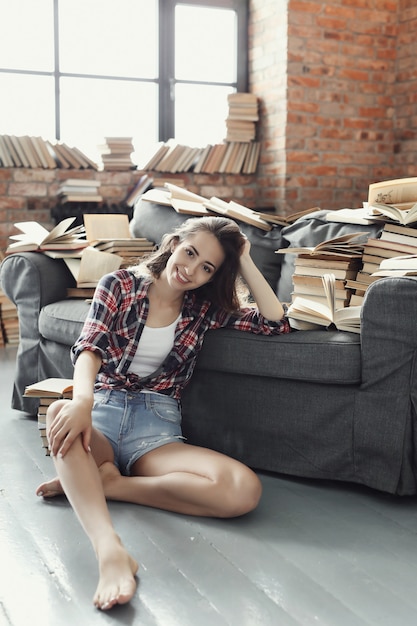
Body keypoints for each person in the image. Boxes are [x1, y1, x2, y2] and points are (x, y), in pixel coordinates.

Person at [36, 215, 290, 611]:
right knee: (59, 410)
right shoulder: (118, 285)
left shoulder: (204, 308)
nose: (190, 270)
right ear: (173, 244)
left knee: (244, 490)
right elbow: (90, 349)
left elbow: (275, 322)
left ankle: (102, 485)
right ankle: (110, 552)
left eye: (207, 267)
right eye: (189, 253)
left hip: (154, 432)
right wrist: (82, 403)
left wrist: (245, 260)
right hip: (100, 414)